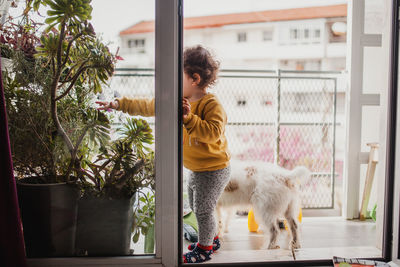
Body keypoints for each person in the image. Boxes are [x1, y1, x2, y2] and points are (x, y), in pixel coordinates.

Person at [97, 45, 230, 263]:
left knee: (203, 209)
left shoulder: (211, 104)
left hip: (215, 169)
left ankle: (205, 249)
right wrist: (118, 104)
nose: (174, 81)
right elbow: (148, 106)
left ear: (195, 78)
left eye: (180, 76)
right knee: (198, 206)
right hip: (197, 168)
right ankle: (211, 238)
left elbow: (213, 133)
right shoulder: (177, 99)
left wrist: (189, 119)